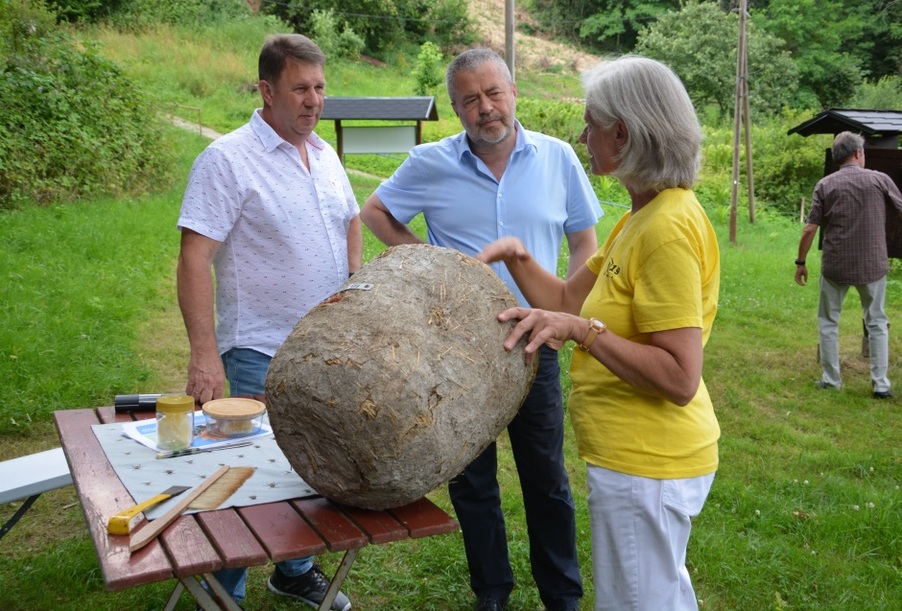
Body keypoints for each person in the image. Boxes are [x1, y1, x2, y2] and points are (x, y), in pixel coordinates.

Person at [360, 48, 601, 611]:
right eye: (470, 99)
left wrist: (567, 306)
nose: (485, 108)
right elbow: (376, 212)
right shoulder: (429, 162)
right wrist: (431, 266)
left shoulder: (558, 158)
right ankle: (491, 592)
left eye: (494, 93)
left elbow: (584, 239)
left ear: (514, 92)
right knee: (472, 483)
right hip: (458, 355)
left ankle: (561, 595)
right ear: (456, 108)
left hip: (534, 345)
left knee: (546, 480)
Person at [478, 55, 720, 611]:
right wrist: (517, 256)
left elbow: (681, 375)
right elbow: (565, 300)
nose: (582, 137)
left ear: (624, 132)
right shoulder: (640, 217)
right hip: (634, 457)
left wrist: (584, 332)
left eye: (591, 124)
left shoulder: (665, 229)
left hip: (649, 462)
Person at [176, 33, 360, 610]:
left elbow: (350, 219)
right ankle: (220, 589)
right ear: (265, 90)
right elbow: (194, 258)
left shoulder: (324, 155)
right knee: (245, 473)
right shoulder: (227, 159)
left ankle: (293, 568)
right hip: (258, 345)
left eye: (320, 88)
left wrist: (354, 282)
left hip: (323, 345)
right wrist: (204, 353)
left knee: (308, 464)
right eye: (300, 89)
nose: (313, 101)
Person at [795, 131, 902, 398]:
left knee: (828, 322)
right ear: (858, 154)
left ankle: (831, 380)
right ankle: (880, 384)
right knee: (876, 322)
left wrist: (801, 261)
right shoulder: (879, 179)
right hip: (872, 265)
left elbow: (809, 229)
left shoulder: (825, 185)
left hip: (836, 266)